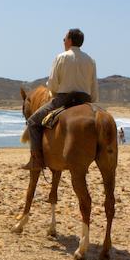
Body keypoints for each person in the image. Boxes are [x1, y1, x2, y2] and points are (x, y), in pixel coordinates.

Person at [23, 28, 99, 171]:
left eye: (64, 39)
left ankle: (36, 160)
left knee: (33, 122)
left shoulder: (61, 57)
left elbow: (52, 84)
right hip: (85, 100)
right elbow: (94, 85)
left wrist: (54, 94)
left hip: (65, 99)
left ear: (69, 41)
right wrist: (91, 102)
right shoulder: (90, 60)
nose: (63, 41)